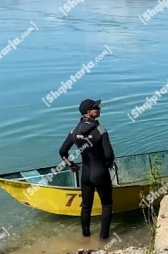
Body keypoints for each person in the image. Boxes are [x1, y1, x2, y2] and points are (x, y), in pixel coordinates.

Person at [59, 99, 115, 239]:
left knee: (85, 206)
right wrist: (108, 164)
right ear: (88, 112)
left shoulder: (74, 131)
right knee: (107, 205)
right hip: (100, 172)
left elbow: (62, 151)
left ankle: (86, 236)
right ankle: (103, 239)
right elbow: (109, 154)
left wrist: (71, 165)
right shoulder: (100, 130)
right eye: (96, 107)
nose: (99, 108)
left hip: (86, 174)